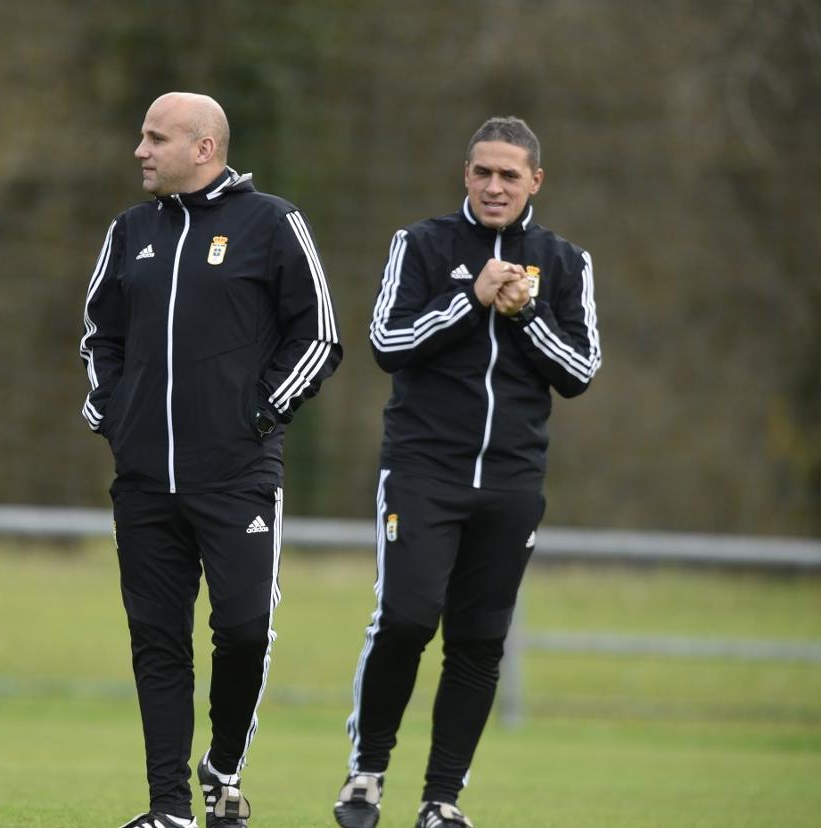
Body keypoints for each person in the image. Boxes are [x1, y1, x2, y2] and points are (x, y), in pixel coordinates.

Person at [80, 91, 342, 828]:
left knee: (246, 630)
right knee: (157, 644)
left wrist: (257, 414)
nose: (140, 150)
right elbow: (99, 335)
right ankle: (168, 810)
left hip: (237, 476)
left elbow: (318, 336)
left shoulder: (273, 224)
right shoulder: (129, 231)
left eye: (155, 138)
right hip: (143, 482)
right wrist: (112, 411)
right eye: (141, 135)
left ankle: (223, 766)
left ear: (203, 148)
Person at [331, 116, 601, 828]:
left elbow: (579, 371)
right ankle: (366, 774)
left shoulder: (566, 260)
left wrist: (526, 313)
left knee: (479, 642)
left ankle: (441, 801)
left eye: (509, 175)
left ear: (535, 181)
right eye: (482, 172)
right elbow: (387, 341)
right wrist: (471, 298)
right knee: (407, 617)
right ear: (465, 174)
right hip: (423, 471)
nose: (494, 186)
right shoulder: (420, 244)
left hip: (511, 483)